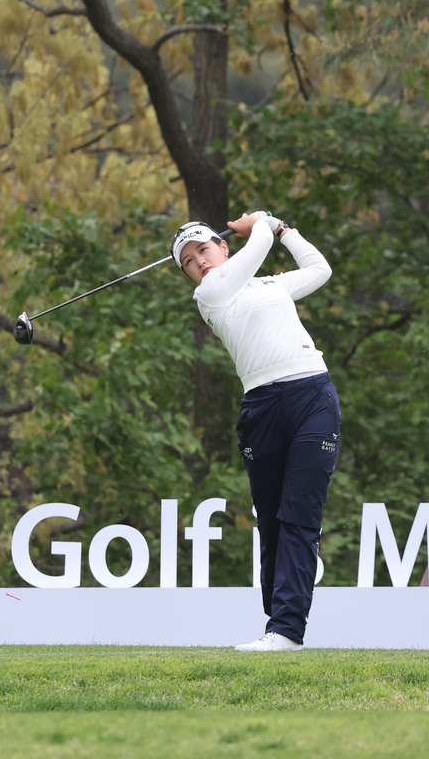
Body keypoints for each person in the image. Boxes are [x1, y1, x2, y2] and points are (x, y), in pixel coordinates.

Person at [171, 211, 340, 652]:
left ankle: (286, 632)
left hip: (312, 397)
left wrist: (285, 229)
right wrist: (262, 221)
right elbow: (258, 245)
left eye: (203, 249)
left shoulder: (270, 285)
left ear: (223, 246)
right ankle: (276, 626)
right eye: (188, 260)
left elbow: (320, 269)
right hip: (262, 407)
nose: (199, 262)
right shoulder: (209, 294)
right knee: (272, 522)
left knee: (300, 519)